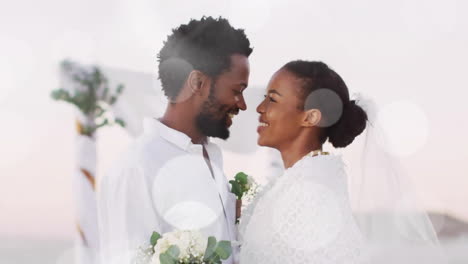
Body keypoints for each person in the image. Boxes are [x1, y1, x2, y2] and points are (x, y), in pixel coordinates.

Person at [97, 16, 252, 264]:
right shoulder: (138, 167)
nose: (242, 105)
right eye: (237, 91)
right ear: (198, 82)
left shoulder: (210, 159)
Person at [238, 60, 369, 264]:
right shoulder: (295, 185)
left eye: (272, 99)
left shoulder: (311, 194)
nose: (259, 108)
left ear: (310, 117)